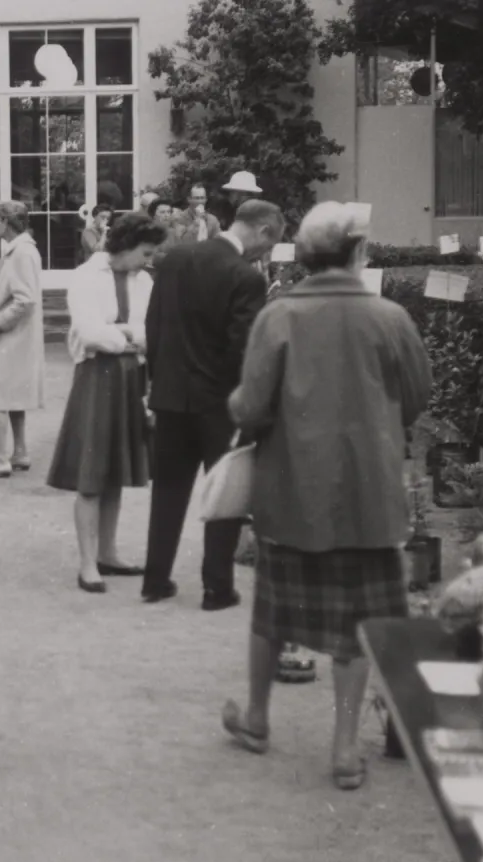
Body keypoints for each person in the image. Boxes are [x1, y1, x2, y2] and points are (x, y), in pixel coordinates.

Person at [220, 202, 432, 790]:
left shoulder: (278, 315)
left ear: (305, 256)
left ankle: (258, 719)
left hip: (292, 494)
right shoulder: (390, 317)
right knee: (359, 625)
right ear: (358, 253)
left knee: (272, 611)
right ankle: (344, 748)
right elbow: (418, 396)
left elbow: (252, 406)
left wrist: (239, 411)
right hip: (371, 498)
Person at [140, 200, 285, 609]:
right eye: (269, 243)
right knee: (225, 493)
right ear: (261, 230)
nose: (266, 253)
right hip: (219, 403)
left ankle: (155, 581)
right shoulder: (246, 278)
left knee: (167, 490)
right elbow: (244, 348)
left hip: (169, 395)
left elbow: (153, 325)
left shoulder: (174, 259)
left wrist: (160, 379)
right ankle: (216, 589)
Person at [49, 214, 168, 591]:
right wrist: (129, 337)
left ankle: (108, 552)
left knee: (115, 469)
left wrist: (123, 334)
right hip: (97, 378)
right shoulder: (86, 276)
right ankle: (87, 563)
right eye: (145, 252)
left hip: (133, 378)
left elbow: (153, 330)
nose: (148, 260)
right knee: (91, 474)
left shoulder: (144, 280)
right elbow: (88, 333)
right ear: (126, 244)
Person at [0, 200, 45, 479]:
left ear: (6, 221)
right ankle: (20, 451)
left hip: (10, 337)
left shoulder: (21, 253)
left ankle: (1, 457)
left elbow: (25, 300)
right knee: (12, 394)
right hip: (17, 338)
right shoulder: (20, 251)